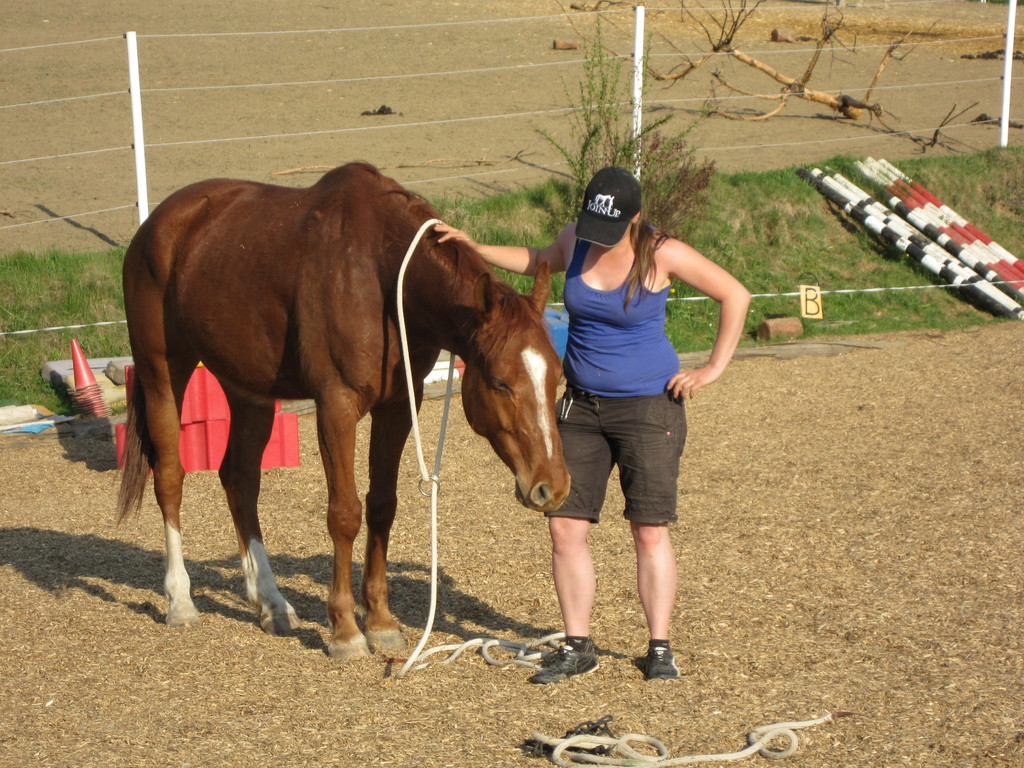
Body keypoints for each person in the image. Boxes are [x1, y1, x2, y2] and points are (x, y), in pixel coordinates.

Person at [436, 166, 751, 683]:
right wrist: (475, 247)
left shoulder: (664, 252)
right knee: (565, 527)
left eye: (611, 228)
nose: (597, 239)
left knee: (648, 530)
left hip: (650, 407)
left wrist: (713, 367)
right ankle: (577, 644)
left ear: (636, 217)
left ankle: (659, 647)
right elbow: (538, 260)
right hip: (581, 406)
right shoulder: (577, 240)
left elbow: (735, 295)